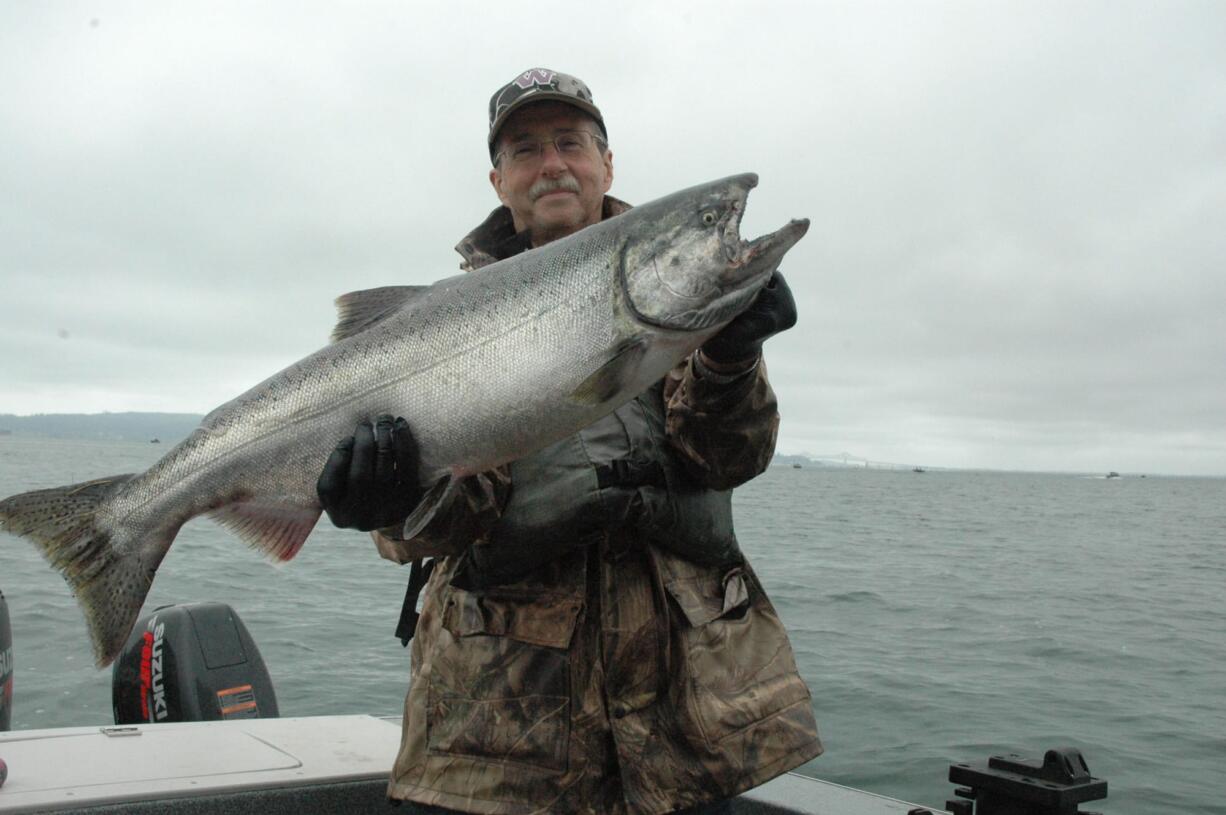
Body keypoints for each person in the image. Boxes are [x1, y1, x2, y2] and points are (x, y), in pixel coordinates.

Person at [317, 68, 821, 815]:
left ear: (606, 163)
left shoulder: (669, 290)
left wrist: (731, 356)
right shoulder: (443, 329)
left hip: (685, 726)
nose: (552, 163)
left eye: (570, 142)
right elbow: (443, 529)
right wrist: (392, 501)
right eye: (525, 150)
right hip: (503, 731)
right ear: (498, 180)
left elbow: (726, 459)